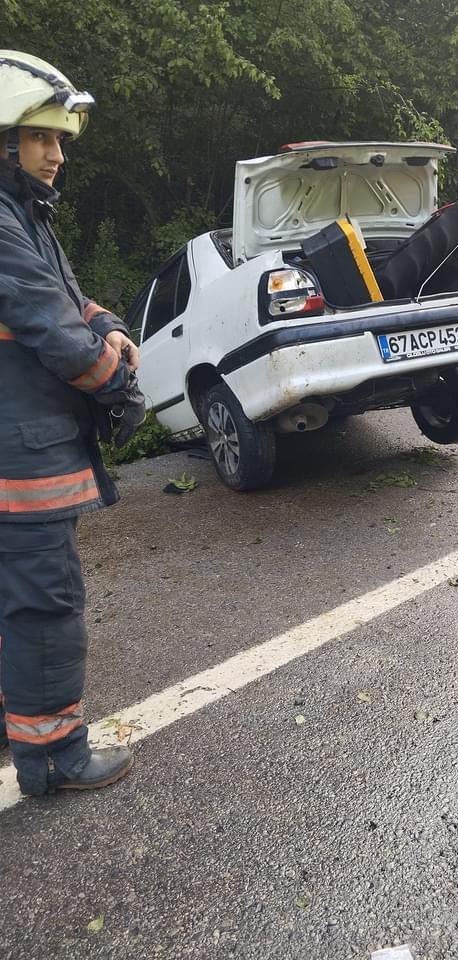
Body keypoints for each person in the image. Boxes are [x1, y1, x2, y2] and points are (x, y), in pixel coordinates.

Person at [0, 51, 145, 796]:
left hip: (19, 447)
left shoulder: (23, 214)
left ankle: (18, 720)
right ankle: (54, 758)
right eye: (39, 138)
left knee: (14, 602)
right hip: (23, 461)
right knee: (45, 603)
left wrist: (111, 324)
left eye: (59, 140)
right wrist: (119, 380)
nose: (57, 155)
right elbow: (54, 333)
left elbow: (72, 301)